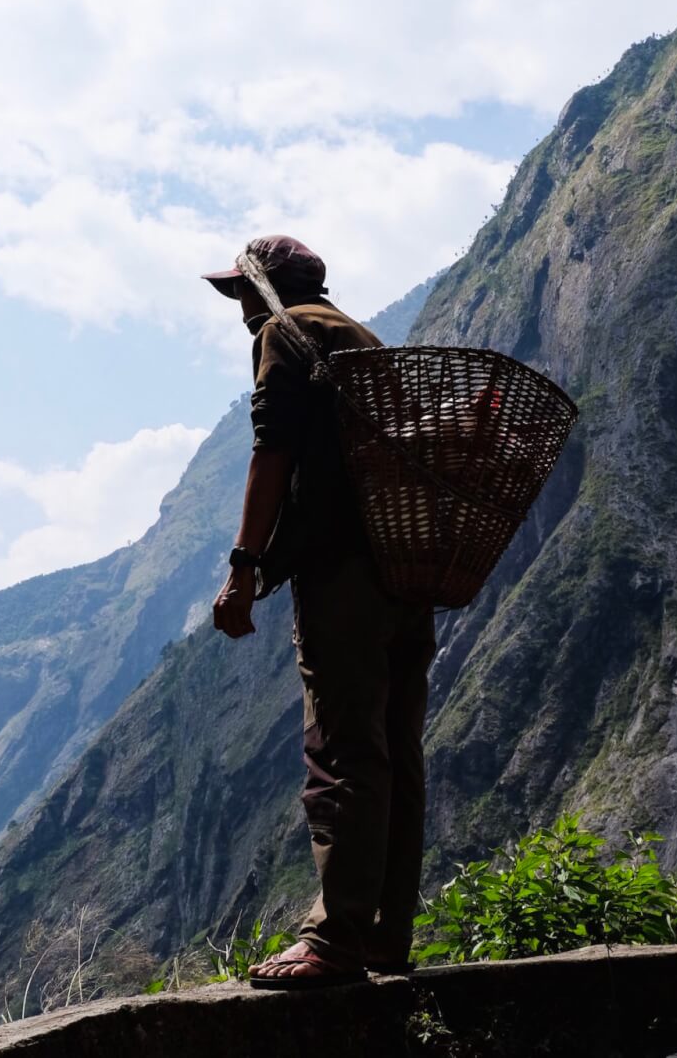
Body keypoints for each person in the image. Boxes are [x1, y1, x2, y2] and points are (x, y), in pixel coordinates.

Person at [204, 235, 437, 989]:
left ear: (263, 290)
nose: (239, 309)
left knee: (341, 755)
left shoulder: (285, 333)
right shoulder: (360, 336)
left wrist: (244, 571)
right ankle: (385, 937)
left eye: (242, 292)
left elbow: (271, 453)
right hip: (406, 572)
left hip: (346, 577)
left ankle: (335, 941)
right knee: (397, 756)